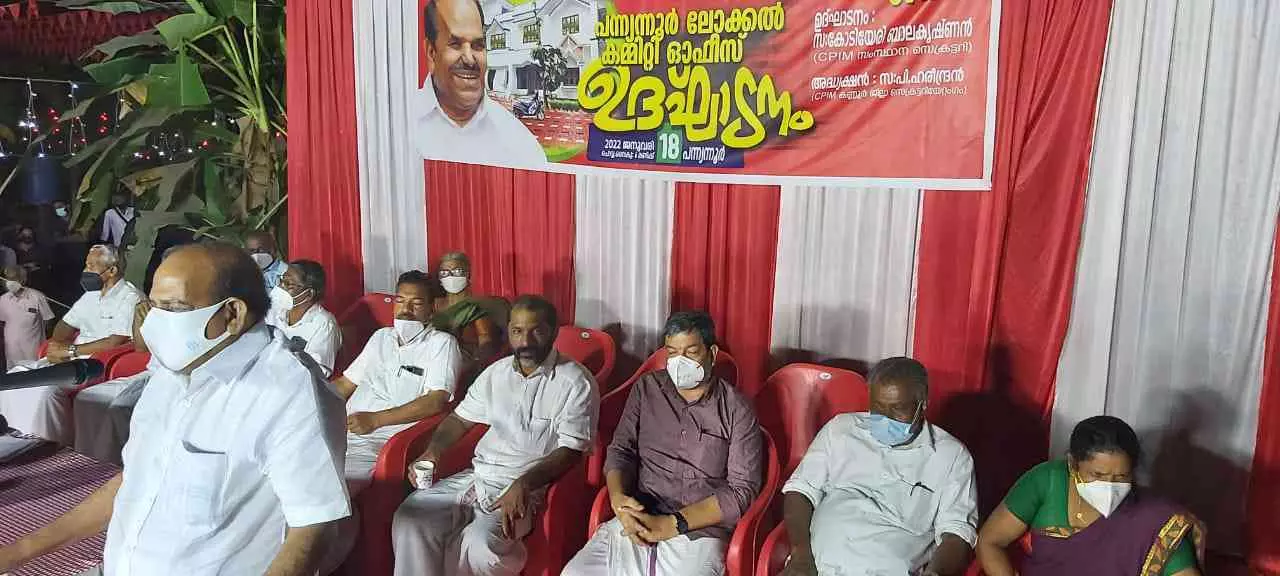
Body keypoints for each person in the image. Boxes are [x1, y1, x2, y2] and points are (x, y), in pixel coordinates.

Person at [0, 242, 351, 575]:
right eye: (154, 305)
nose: (154, 321)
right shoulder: (173, 371)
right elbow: (137, 481)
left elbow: (313, 529)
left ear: (232, 313)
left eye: (173, 308)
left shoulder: (289, 393)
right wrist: (18, 552)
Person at [393, 295, 599, 576]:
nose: (525, 341)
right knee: (411, 518)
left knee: (481, 545)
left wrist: (524, 483)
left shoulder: (575, 382)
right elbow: (459, 419)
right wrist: (433, 452)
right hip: (477, 476)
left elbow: (572, 450)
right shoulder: (496, 373)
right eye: (517, 331)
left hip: (528, 488)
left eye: (536, 331)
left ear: (553, 332)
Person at [563, 311, 762, 576]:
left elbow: (742, 491)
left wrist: (673, 524)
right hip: (639, 515)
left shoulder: (737, 409)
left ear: (712, 354)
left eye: (691, 352)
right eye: (673, 353)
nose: (680, 362)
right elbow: (621, 451)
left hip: (698, 531)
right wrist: (619, 500)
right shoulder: (647, 390)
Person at [779, 357, 977, 576]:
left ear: (923, 405)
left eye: (897, 409)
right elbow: (800, 490)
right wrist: (801, 554)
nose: (885, 419)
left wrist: (935, 573)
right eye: (878, 408)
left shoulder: (952, 457)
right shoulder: (840, 430)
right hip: (815, 567)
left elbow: (957, 532)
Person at [976, 416, 1204, 576]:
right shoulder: (1047, 481)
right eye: (1097, 475)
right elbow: (990, 541)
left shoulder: (1155, 521)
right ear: (1073, 464)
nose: (1110, 486)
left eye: (1121, 477)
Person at [334, 270, 463, 494]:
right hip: (341, 431)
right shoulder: (381, 337)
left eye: (416, 303)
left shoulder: (441, 344)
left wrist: (375, 420)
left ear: (432, 308)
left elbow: (435, 401)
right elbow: (345, 384)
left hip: (380, 442)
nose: (405, 309)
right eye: (400, 301)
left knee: (327, 490)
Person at [0, 244, 143, 444]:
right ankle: (16, 438)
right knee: (14, 378)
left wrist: (70, 350)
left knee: (45, 391)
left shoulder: (130, 297)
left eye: (92, 266)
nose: (85, 270)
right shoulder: (90, 295)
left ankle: (50, 445)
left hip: (92, 364)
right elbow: (65, 325)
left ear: (112, 270)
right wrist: (57, 345)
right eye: (86, 264)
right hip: (68, 357)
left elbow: (116, 341)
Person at [413, 0, 547, 169]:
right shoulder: (396, 125)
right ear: (431, 53)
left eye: (477, 46)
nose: (469, 59)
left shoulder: (520, 145)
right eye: (455, 44)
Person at [267, 259, 342, 378]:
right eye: (281, 280)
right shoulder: (274, 310)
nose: (280, 287)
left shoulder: (324, 324)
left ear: (309, 294)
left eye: (288, 284)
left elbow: (317, 373)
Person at [433, 251, 499, 366]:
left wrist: (477, 364)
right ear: (439, 278)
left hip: (460, 362)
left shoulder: (474, 308)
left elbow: (485, 342)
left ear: (468, 275)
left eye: (457, 271)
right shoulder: (432, 304)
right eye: (444, 273)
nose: (450, 276)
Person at [0, 265, 53, 370]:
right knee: (14, 374)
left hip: (33, 351)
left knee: (35, 374)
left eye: (14, 278)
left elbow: (48, 319)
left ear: (23, 280)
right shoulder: (3, 299)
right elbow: (3, 322)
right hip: (12, 351)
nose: (10, 282)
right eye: (7, 279)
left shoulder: (37, 296)